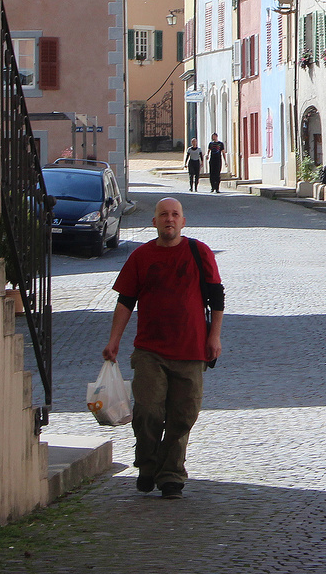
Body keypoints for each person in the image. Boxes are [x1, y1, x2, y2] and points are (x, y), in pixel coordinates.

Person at [103, 197, 222, 499]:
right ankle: (148, 465)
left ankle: (171, 475)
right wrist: (114, 340)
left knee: (183, 416)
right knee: (147, 411)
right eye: (163, 215)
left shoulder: (199, 252)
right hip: (150, 351)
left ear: (183, 221)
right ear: (154, 222)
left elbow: (216, 298)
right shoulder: (141, 257)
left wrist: (214, 337)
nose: (169, 219)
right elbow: (126, 300)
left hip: (191, 349)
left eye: (175, 214)